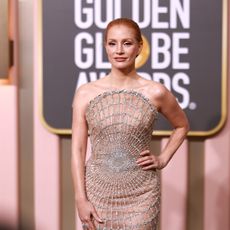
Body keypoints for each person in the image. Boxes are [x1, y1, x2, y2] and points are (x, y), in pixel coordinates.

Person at [71, 18, 189, 230]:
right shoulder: (85, 93)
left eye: (127, 43)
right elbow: (78, 150)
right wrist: (81, 198)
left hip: (142, 194)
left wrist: (163, 158)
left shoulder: (155, 92)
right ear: (105, 46)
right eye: (112, 43)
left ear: (139, 47)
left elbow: (182, 126)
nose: (119, 50)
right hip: (97, 191)